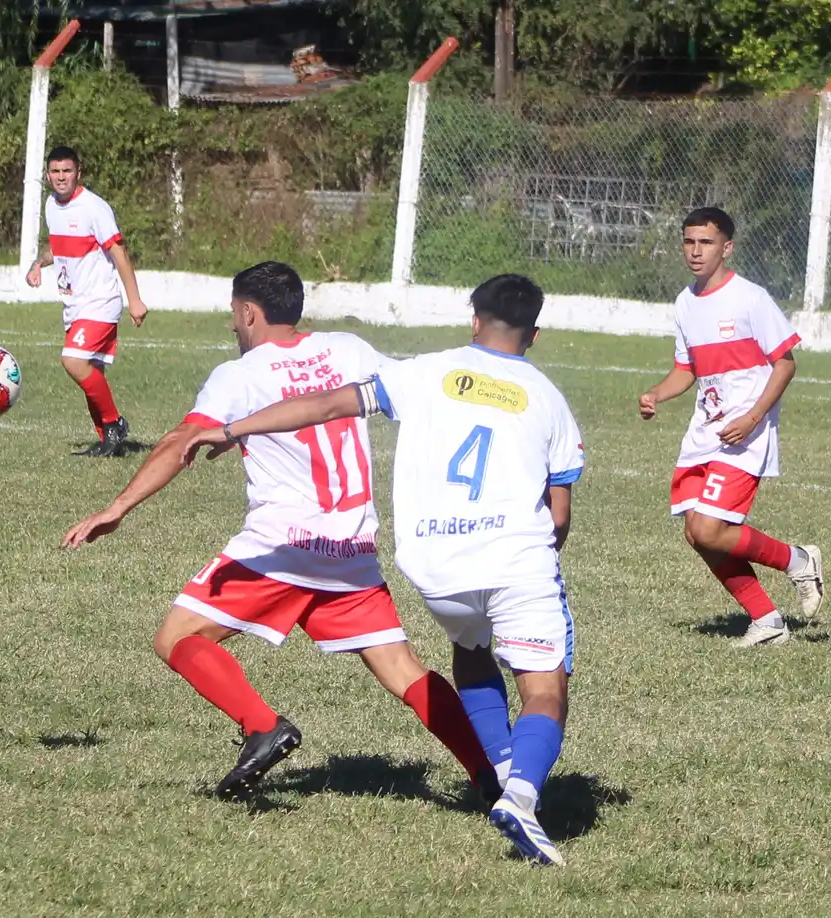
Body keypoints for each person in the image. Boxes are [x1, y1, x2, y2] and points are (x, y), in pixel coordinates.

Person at [180, 274, 585, 867]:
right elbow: (559, 516)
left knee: (470, 650)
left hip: (435, 569)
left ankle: (495, 770)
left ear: (474, 319)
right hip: (509, 559)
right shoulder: (549, 397)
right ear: (536, 333)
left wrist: (233, 429)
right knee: (545, 690)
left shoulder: (425, 371)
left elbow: (323, 404)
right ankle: (520, 795)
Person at [61, 261, 498, 802]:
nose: (231, 327)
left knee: (176, 637)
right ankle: (487, 775)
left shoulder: (239, 376)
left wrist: (118, 508)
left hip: (282, 546)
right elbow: (420, 394)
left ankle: (262, 726)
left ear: (248, 312)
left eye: (232, 315)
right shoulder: (349, 350)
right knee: (402, 668)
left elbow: (180, 443)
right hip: (351, 546)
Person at [637, 207, 824, 649]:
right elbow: (687, 369)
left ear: (727, 247)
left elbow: (785, 364)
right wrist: (657, 395)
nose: (696, 251)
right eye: (689, 242)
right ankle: (767, 619)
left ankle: (797, 560)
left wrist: (753, 417)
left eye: (706, 242)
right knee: (698, 536)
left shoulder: (750, 298)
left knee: (709, 529)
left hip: (745, 432)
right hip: (705, 431)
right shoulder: (685, 303)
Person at [26, 146, 149, 457]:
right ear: (48, 174)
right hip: (75, 304)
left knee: (73, 361)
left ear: (78, 173)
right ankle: (109, 442)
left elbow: (119, 252)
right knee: (92, 370)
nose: (61, 177)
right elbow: (60, 247)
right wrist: (39, 264)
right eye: (55, 171)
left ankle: (115, 423)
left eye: (67, 170)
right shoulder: (51, 205)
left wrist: (134, 300)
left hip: (100, 302)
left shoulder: (94, 207)